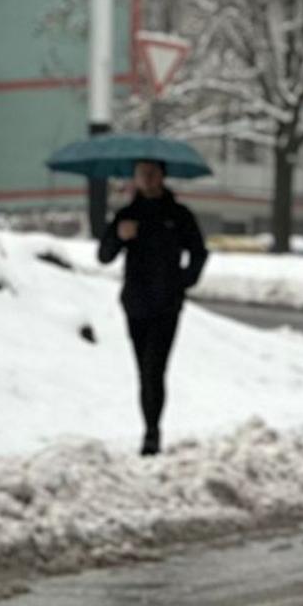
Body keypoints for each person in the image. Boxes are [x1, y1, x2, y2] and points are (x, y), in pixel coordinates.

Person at [97, 158, 207, 457]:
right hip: (136, 302)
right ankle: (150, 426)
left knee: (154, 369)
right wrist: (120, 237)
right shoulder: (127, 215)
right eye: (141, 173)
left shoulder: (179, 215)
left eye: (152, 173)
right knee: (143, 369)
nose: (147, 178)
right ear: (134, 178)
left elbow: (199, 252)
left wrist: (184, 281)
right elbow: (104, 255)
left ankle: (151, 433)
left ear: (162, 176)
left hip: (167, 304)